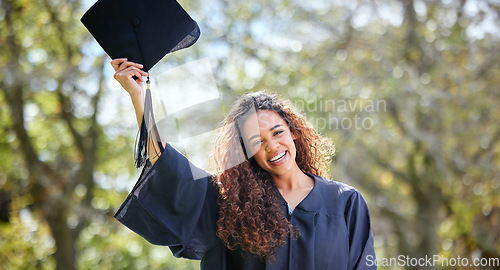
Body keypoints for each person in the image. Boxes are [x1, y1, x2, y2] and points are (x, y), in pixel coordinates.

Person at [111, 58, 377, 269]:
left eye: (277, 132)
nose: (272, 146)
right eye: (255, 141)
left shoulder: (345, 203)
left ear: (293, 131)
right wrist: (138, 97)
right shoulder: (232, 208)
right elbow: (168, 164)